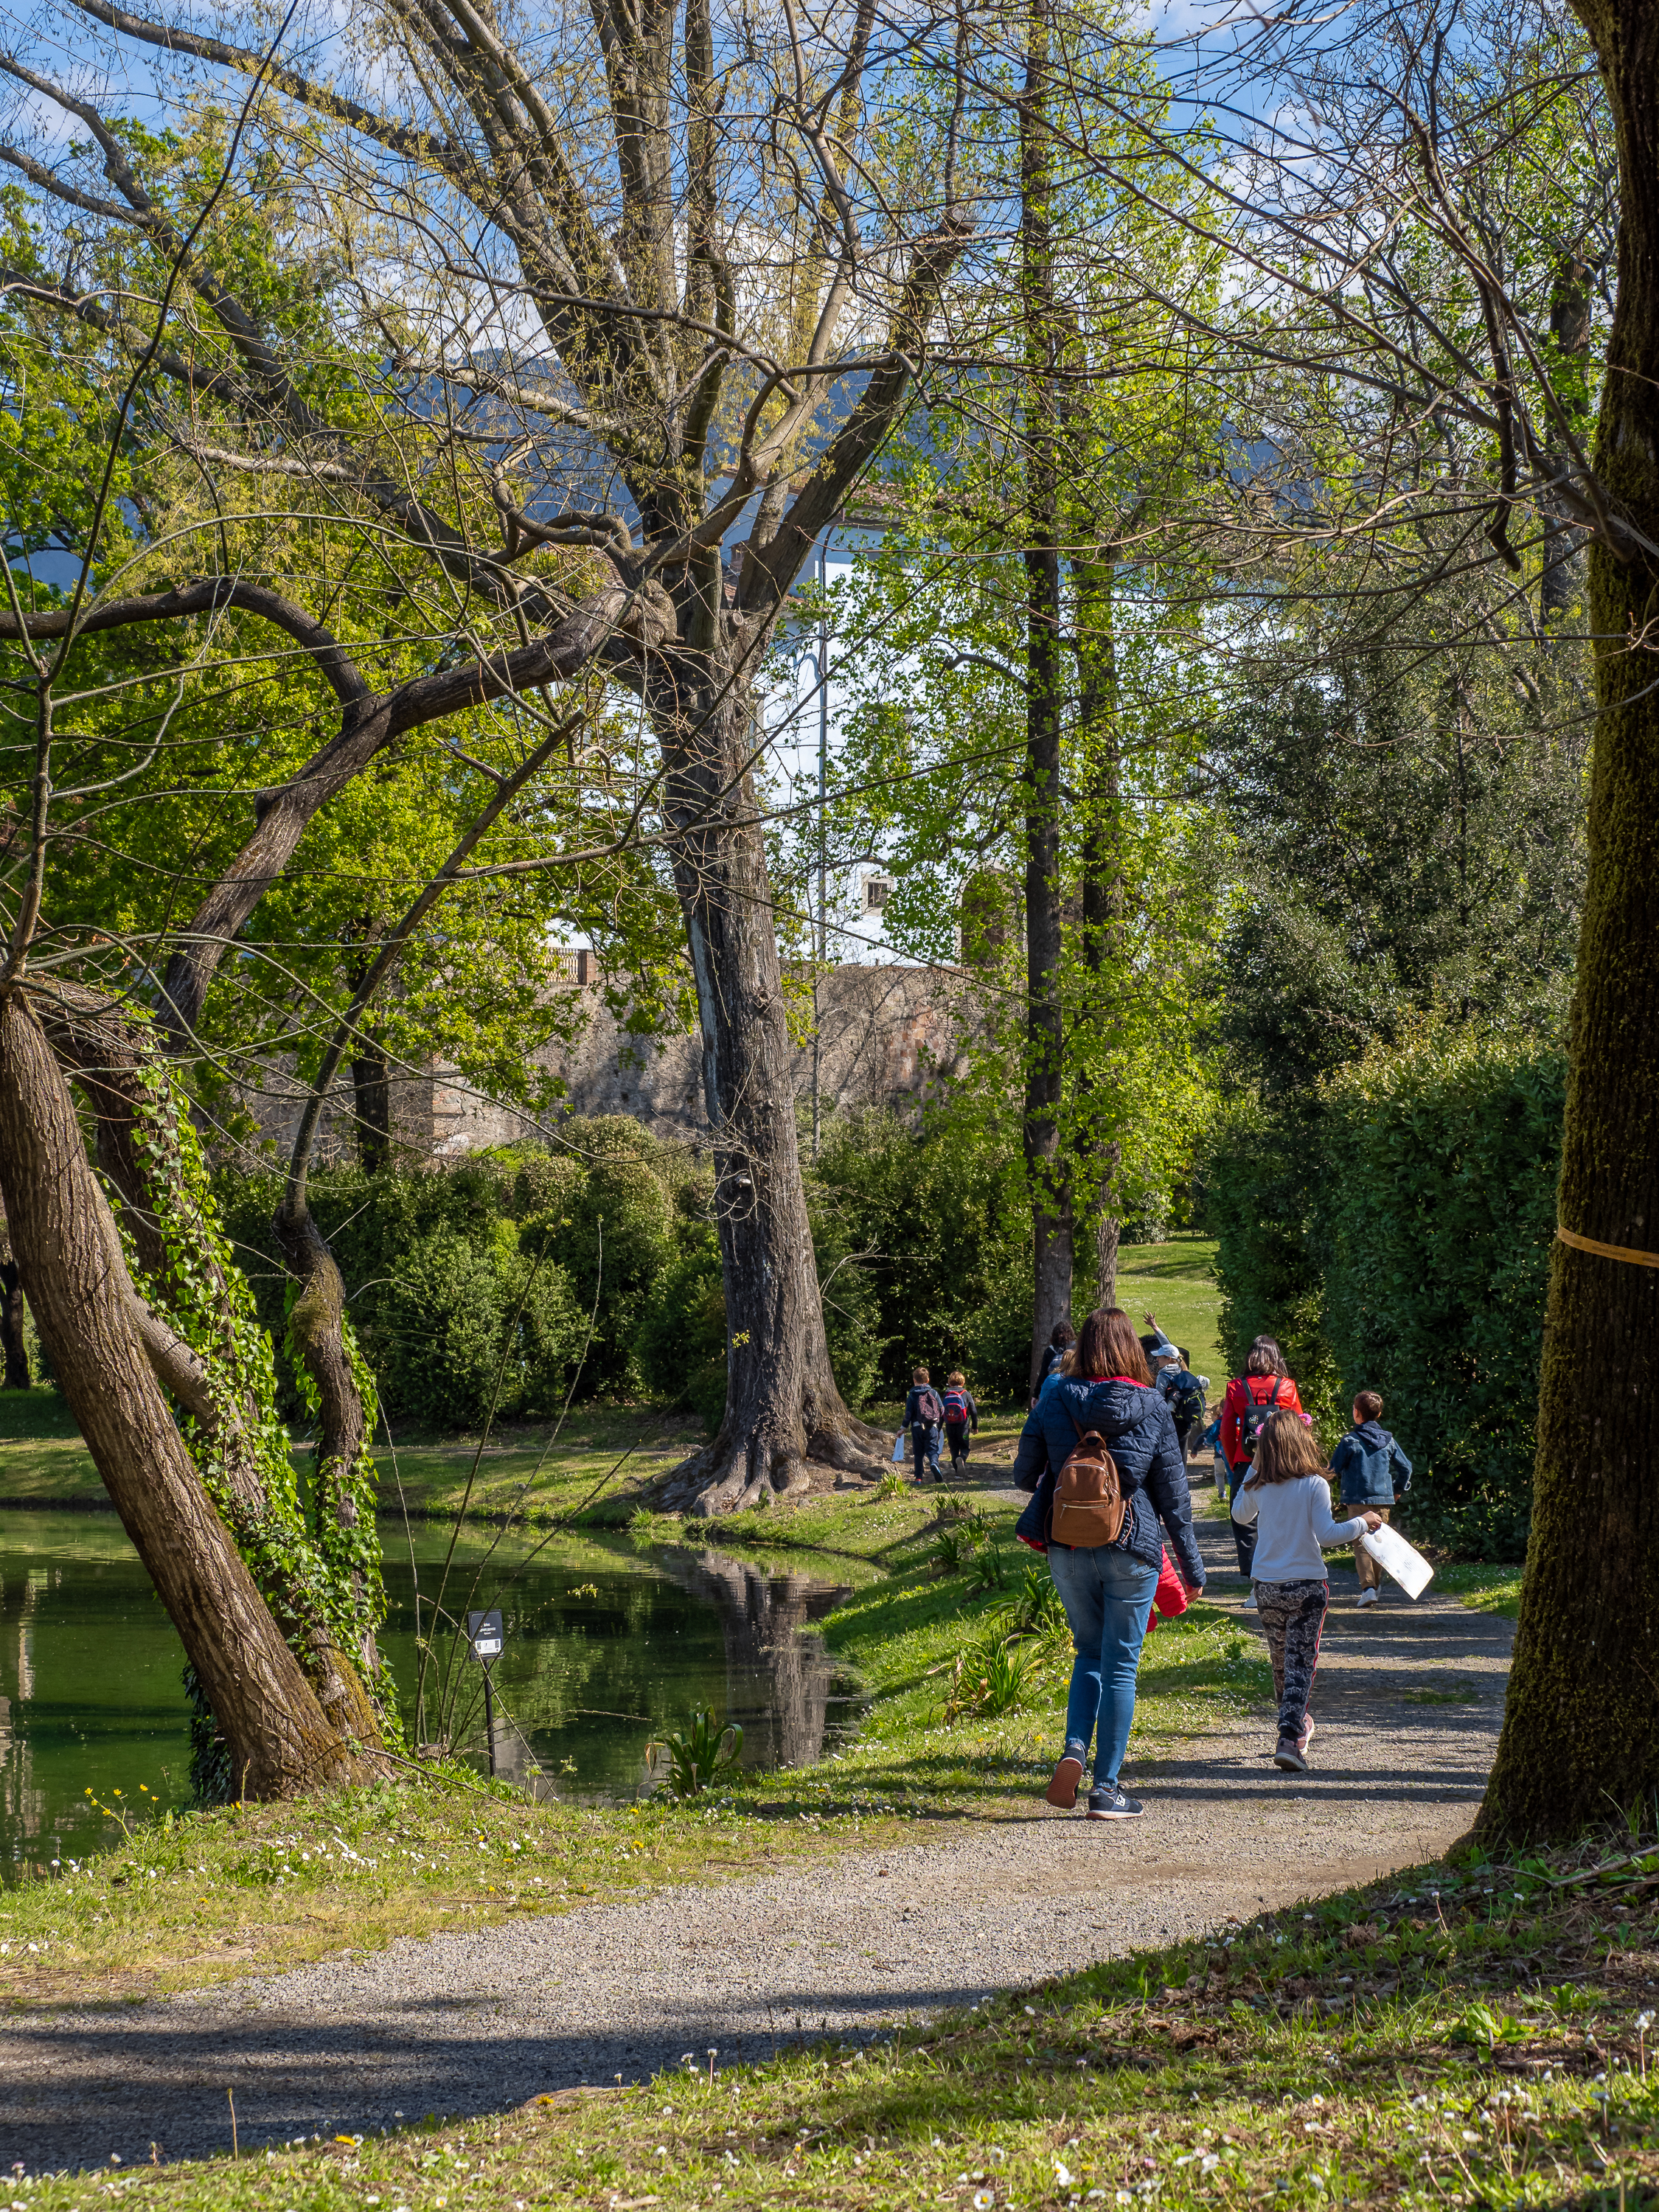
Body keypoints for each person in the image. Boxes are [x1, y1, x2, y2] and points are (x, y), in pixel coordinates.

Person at [1014, 1307, 1206, 1821]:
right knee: (1122, 1665)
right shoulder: (1153, 1404)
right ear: (1132, 1351)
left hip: (1066, 1545)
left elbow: (1022, 1473)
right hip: (1131, 1542)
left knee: (1087, 1653)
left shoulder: (1054, 1394)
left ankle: (1075, 1747)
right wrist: (1192, 1569)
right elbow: (1174, 1498)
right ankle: (1107, 1789)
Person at [1231, 1411, 1380, 1772]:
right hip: (1307, 1585)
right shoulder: (1315, 1483)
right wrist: (1364, 1522)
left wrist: (1254, 1467)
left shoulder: (1259, 1484)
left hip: (1266, 1586)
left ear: (1264, 1448)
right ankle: (1289, 1735)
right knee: (1301, 1662)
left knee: (1282, 1662)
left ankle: (1296, 1726)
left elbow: (1239, 1515)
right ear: (1303, 1442)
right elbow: (1327, 1535)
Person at [1220, 1336, 1312, 1607]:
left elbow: (1227, 1429)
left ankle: (1255, 1586)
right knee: (1282, 1517)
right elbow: (1299, 1427)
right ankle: (1286, 1577)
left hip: (1246, 1461)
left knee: (1245, 1522)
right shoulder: (1287, 1387)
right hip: (1283, 1461)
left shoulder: (1235, 1387)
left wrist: (1233, 1460)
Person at [1329, 1390, 1413, 1607]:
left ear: (1356, 1413)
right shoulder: (1389, 1440)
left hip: (1358, 1500)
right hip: (1384, 1499)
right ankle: (1374, 1586)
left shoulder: (1350, 1441)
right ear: (1379, 1414)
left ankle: (1368, 1589)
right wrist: (1397, 1490)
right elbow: (1406, 1468)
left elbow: (1333, 1469)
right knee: (1379, 1542)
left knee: (1361, 1544)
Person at [1144, 1313, 1208, 1464]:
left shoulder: (1164, 1375)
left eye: (1160, 1357)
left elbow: (1158, 1399)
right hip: (1185, 1418)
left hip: (1170, 1418)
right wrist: (1155, 1327)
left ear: (1168, 1359)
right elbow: (1169, 1347)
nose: (1156, 1359)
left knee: (1167, 1454)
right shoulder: (1181, 1368)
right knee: (1182, 1451)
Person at [903, 1366, 945, 1484]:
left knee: (918, 1453)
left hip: (917, 1427)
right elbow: (942, 1410)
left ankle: (918, 1478)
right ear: (928, 1380)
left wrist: (903, 1428)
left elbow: (908, 1413)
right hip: (932, 1426)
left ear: (914, 1380)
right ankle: (934, 1463)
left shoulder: (912, 1395)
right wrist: (939, 1426)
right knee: (932, 1449)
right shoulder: (934, 1393)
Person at [1031, 1319, 1076, 1408]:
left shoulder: (1050, 1351)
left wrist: (1036, 1394)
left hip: (1052, 1387)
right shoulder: (1076, 1347)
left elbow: (1043, 1374)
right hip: (1072, 1386)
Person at [942, 1371, 978, 1476]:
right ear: (963, 1383)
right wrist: (975, 1427)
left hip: (950, 1426)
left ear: (950, 1383)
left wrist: (939, 1426)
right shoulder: (966, 1394)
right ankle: (961, 1458)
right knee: (965, 1447)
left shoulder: (946, 1394)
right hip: (963, 1426)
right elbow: (973, 1411)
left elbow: (942, 1410)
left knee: (953, 1449)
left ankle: (958, 1472)